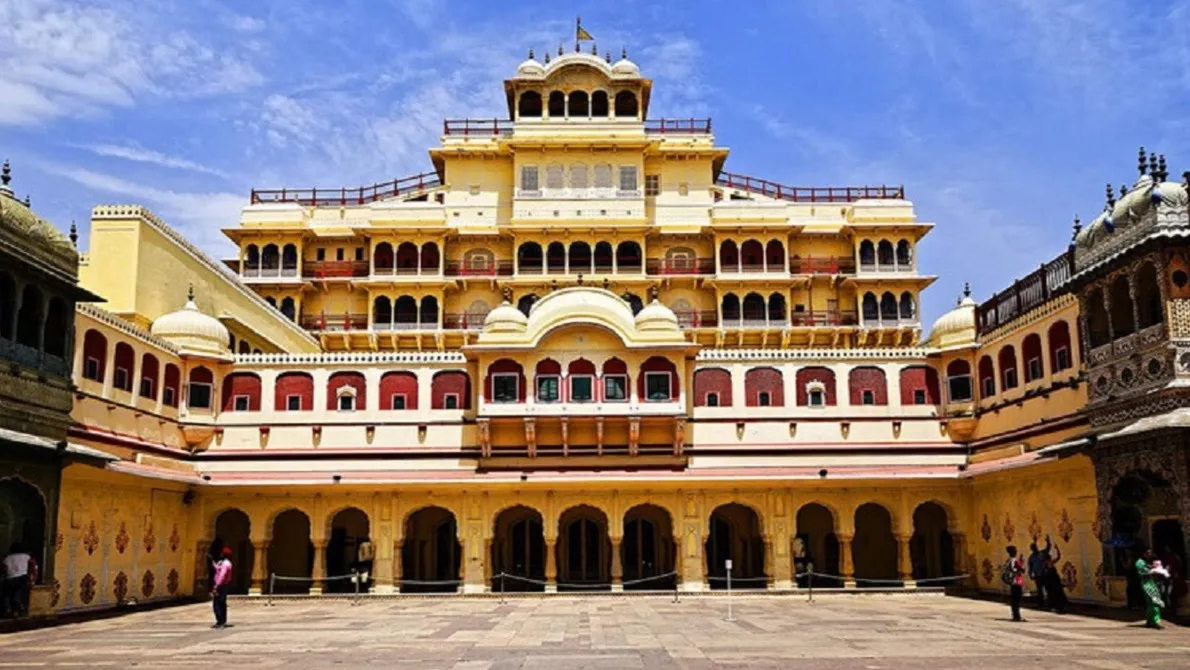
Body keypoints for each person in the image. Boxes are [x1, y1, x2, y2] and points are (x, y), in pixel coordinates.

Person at [2, 543, 36, 618]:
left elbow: (3, 568)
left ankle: (7, 609)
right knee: (20, 594)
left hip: (9, 578)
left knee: (6, 594)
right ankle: (18, 606)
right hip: (22, 578)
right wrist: (32, 579)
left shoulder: (7, 558)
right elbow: (33, 566)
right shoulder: (26, 556)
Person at [1137, 548, 1164, 629]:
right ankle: (1157, 621)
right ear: (1144, 553)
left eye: (1151, 553)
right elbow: (1143, 572)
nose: (1150, 555)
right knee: (1154, 601)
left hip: (1153, 584)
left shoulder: (1149, 561)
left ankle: (1149, 619)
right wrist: (1153, 570)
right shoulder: (1140, 562)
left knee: (1150, 603)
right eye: (1148, 553)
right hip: (1147, 584)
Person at [1158, 546, 1185, 617]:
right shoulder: (1165, 557)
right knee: (1165, 593)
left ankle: (1173, 610)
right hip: (1166, 578)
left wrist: (1175, 573)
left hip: (1172, 579)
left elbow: (1179, 565)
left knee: (1171, 594)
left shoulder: (1175, 556)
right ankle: (1169, 609)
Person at [1041, 543, 1068, 614]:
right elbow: (1058, 557)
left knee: (1054, 594)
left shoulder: (1047, 563)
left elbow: (1058, 557)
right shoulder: (1048, 563)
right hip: (1052, 581)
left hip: (1052, 581)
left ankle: (1056, 606)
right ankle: (1056, 606)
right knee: (1055, 593)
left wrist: (1057, 549)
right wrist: (1057, 549)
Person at [210, 546, 233, 629]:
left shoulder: (226, 564)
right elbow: (218, 569)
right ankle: (221, 621)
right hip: (223, 585)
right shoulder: (224, 563)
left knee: (218, 604)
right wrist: (213, 562)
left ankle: (220, 621)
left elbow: (222, 575)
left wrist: (216, 586)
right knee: (221, 603)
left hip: (221, 585)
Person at [1003, 545, 1026, 622]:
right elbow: (1016, 569)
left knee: (1014, 599)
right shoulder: (1014, 561)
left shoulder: (1008, 560)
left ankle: (1015, 615)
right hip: (1016, 581)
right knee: (1017, 599)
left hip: (1013, 582)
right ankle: (1017, 616)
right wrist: (1020, 567)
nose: (1016, 552)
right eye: (1015, 550)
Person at [1027, 538, 1051, 609]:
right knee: (1040, 590)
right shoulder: (1031, 557)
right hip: (1037, 575)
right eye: (1033, 548)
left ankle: (1048, 602)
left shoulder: (1041, 553)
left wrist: (1048, 541)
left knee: (1047, 589)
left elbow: (1048, 548)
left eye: (1035, 547)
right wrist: (1030, 574)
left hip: (1044, 574)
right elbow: (1030, 566)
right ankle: (1041, 603)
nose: (1034, 549)